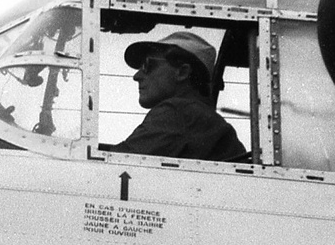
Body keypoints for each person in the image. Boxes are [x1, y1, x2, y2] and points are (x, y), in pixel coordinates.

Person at [102, 29, 247, 162]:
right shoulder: (198, 117)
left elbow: (115, 165)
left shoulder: (178, 112)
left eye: (147, 65)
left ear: (182, 72)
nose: (137, 76)